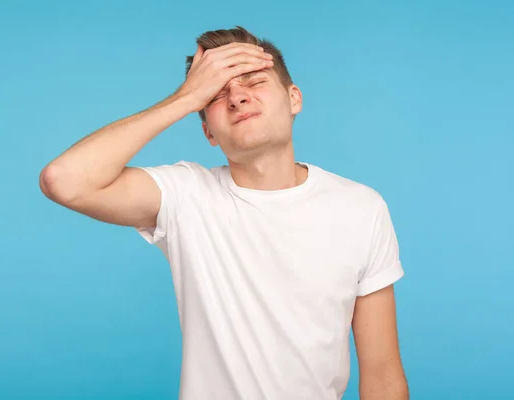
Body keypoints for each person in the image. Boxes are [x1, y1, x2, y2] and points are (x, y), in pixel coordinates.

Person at [40, 26, 409, 400]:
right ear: (208, 133)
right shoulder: (185, 195)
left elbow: (382, 374)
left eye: (253, 80)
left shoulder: (361, 208)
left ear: (293, 98)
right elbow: (64, 181)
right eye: (217, 94)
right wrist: (185, 98)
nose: (237, 97)